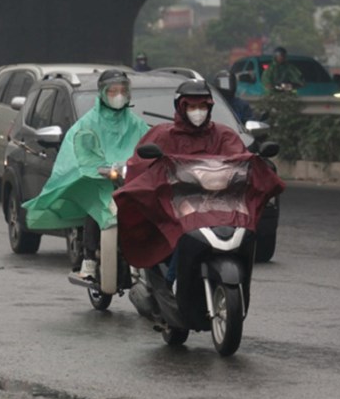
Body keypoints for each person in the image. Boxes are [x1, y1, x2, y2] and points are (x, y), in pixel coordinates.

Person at [118, 79, 284, 278]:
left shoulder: (224, 135)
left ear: (210, 107)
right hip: (177, 205)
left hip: (221, 202)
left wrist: (254, 164)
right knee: (182, 234)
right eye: (192, 106)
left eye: (202, 106)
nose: (198, 111)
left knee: (244, 234)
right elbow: (142, 169)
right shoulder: (162, 135)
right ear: (181, 107)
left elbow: (240, 161)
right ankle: (173, 283)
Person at [22, 69, 150, 280]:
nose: (118, 96)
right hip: (99, 180)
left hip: (129, 182)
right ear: (102, 93)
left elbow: (149, 144)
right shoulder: (88, 123)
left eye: (122, 91)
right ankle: (89, 258)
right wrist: (93, 168)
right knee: (95, 205)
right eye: (113, 91)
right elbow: (79, 150)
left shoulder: (136, 124)